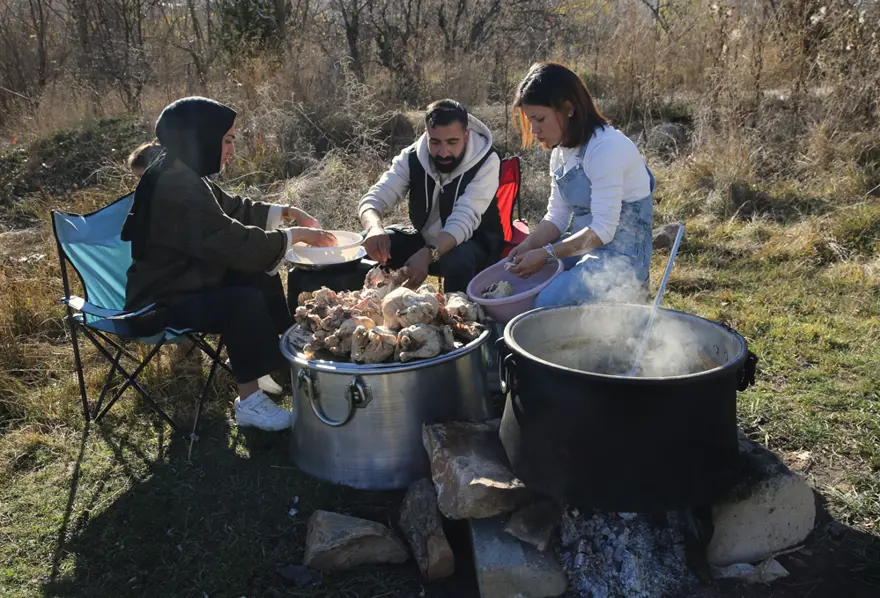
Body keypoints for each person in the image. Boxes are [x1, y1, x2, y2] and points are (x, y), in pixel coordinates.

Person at [121, 96, 334, 432]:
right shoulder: (175, 186)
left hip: (184, 282)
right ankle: (249, 402)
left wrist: (289, 212)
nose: (232, 151)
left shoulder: (183, 170)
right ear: (202, 138)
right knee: (241, 299)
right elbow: (232, 241)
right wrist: (294, 236)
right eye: (228, 140)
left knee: (258, 274)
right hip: (159, 300)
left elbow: (234, 209)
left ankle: (276, 362)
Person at [507, 62, 654, 306]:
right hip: (584, 246)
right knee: (527, 282)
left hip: (621, 257)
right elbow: (557, 217)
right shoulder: (561, 153)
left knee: (547, 302)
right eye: (530, 120)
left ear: (568, 109)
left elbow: (603, 230)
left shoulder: (606, 148)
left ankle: (630, 301)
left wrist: (547, 254)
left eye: (540, 119)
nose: (533, 130)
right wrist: (528, 245)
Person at [359, 99, 503, 292]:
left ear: (466, 136)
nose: (443, 152)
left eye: (452, 142)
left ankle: (458, 309)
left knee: (456, 258)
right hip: (424, 240)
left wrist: (428, 254)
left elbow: (464, 219)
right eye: (435, 142)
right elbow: (375, 197)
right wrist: (374, 228)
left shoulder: (486, 161)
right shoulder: (412, 157)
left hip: (474, 243)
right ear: (427, 135)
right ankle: (365, 305)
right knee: (366, 244)